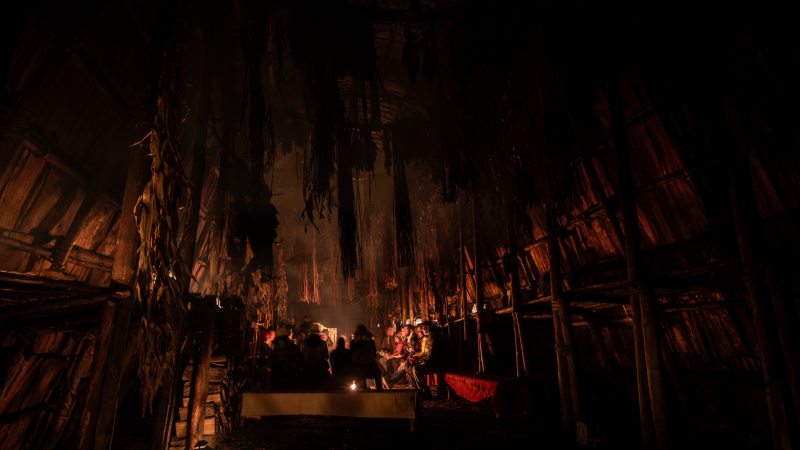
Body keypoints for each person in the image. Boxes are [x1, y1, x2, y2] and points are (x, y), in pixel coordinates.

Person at [410, 322, 452, 396]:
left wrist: (426, 362)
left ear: (428, 328)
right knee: (413, 367)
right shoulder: (434, 336)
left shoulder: (434, 337)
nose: (422, 330)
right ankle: (419, 390)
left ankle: (426, 392)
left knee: (416, 369)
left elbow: (433, 352)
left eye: (423, 328)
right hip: (439, 362)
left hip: (440, 363)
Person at [350, 325, 383, 389]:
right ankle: (379, 389)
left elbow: (351, 354)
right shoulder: (370, 341)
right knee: (378, 373)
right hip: (369, 366)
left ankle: (362, 387)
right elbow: (374, 353)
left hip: (356, 367)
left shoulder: (354, 342)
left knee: (360, 375)